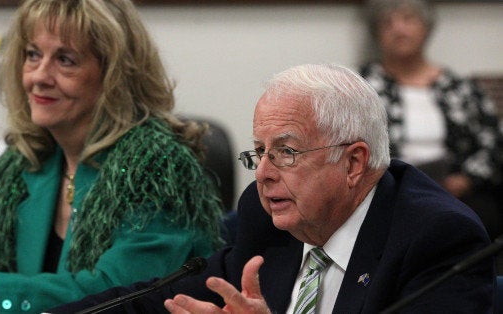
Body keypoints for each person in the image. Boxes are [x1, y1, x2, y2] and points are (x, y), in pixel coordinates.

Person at [50, 64, 494, 314]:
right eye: (258, 152)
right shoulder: (271, 219)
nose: (262, 173)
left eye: (285, 152)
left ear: (354, 162)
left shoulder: (435, 237)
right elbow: (159, 301)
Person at [0, 0, 224, 312]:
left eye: (65, 60)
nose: (40, 76)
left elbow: (124, 291)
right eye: (33, 55)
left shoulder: (157, 167)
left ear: (114, 75)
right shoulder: (30, 161)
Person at [359, 0, 503, 240]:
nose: (398, 29)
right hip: (384, 192)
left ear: (426, 28)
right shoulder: (360, 87)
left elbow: (494, 144)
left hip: (456, 192)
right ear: (377, 34)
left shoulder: (459, 88)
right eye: (388, 22)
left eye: (408, 19)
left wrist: (466, 179)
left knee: (478, 216)